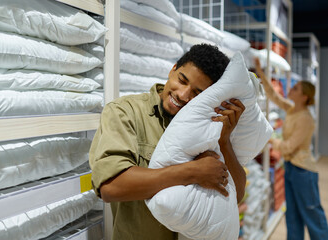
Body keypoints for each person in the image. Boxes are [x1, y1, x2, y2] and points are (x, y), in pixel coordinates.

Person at [89, 44, 247, 240]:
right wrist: (193, 172)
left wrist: (224, 141)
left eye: (197, 93)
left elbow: (235, 195)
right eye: (182, 80)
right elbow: (110, 187)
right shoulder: (126, 112)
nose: (182, 95)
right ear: (173, 69)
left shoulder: (208, 126)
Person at [255, 58, 328, 240]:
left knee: (312, 214)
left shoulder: (305, 118)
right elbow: (273, 96)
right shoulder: (292, 108)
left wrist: (270, 138)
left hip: (303, 171)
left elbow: (288, 147)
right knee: (293, 216)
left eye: (295, 89)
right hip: (291, 168)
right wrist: (260, 71)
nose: (291, 89)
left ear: (304, 97)